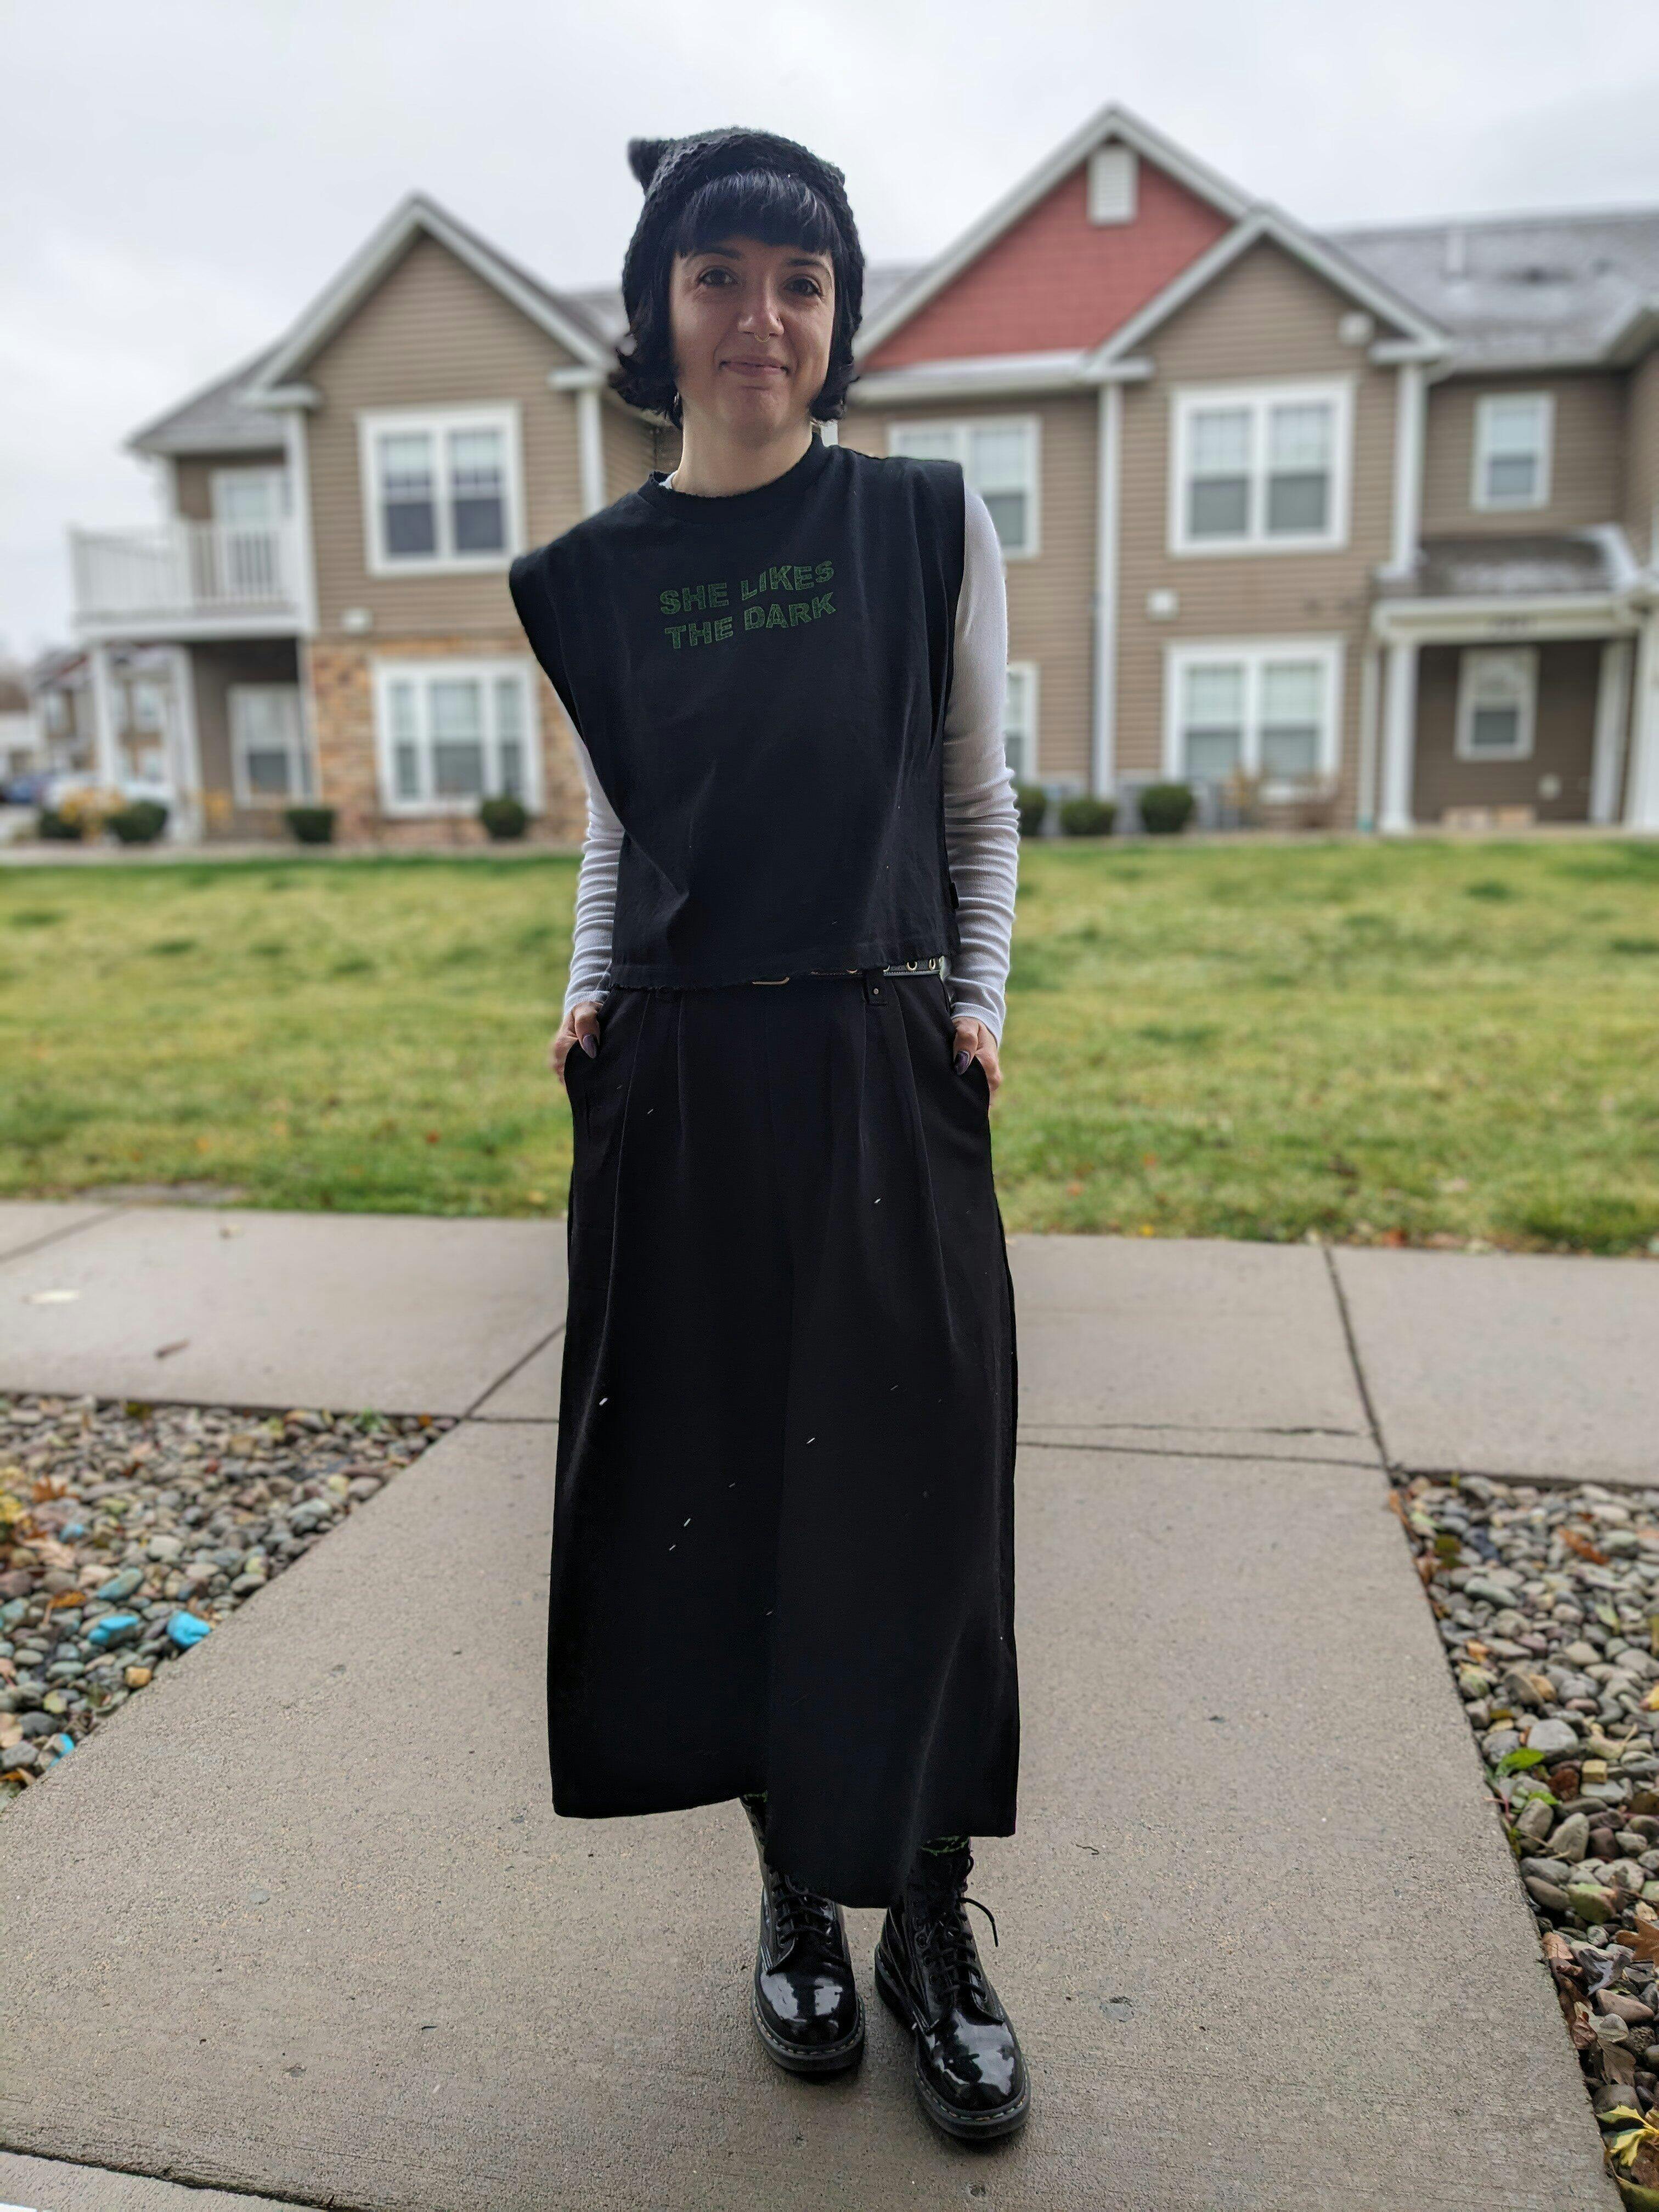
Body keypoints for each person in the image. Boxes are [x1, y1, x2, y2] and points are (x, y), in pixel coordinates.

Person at [507, 126, 1028, 2143]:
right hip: (684, 1081)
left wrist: (976, 1009)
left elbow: (974, 805)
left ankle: (931, 1916)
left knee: (919, 1507)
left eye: (800, 282)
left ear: (838, 316)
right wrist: (587, 987)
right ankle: (798, 1893)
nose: (762, 317)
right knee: (726, 1500)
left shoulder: (923, 525)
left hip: (883, 1064)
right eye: (719, 275)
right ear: (659, 312)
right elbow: (621, 825)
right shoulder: (595, 579)